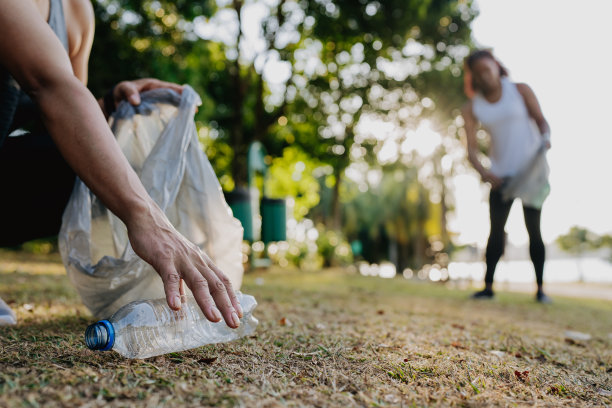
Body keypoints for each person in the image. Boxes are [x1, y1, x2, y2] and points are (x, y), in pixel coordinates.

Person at [0, 0, 243, 327]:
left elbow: (64, 122)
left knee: (106, 158)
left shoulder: (75, 11)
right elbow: (49, 86)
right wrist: (146, 216)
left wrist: (112, 105)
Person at [461, 49, 552, 303]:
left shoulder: (520, 90)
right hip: (501, 176)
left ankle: (540, 290)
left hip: (531, 171)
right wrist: (485, 173)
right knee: (495, 231)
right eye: (478, 73)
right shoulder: (472, 106)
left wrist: (545, 139)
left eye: (487, 69)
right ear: (473, 77)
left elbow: (542, 121)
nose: (484, 76)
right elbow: (470, 149)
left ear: (496, 67)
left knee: (534, 230)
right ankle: (488, 287)